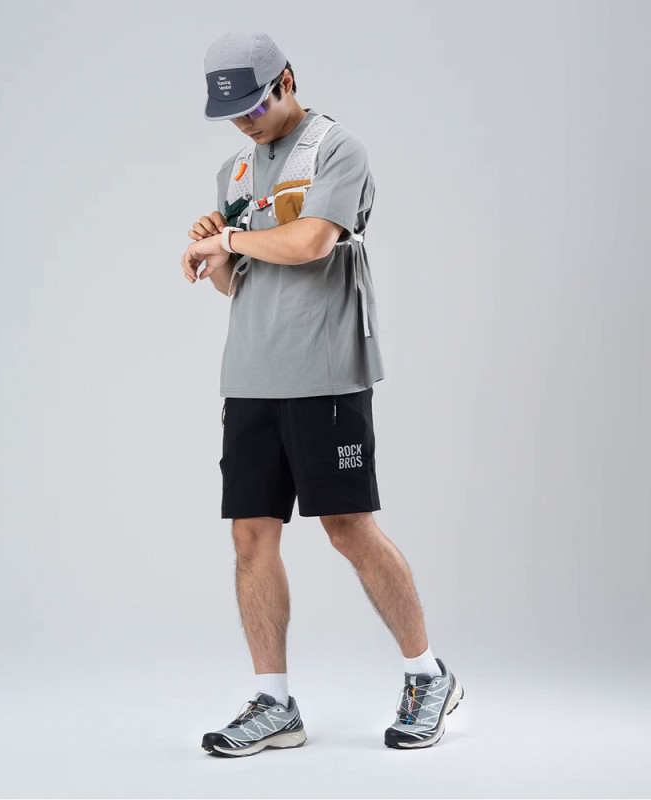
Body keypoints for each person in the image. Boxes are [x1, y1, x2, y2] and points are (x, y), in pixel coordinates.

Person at [180, 30, 463, 757]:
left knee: (348, 527)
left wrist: (229, 240)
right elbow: (233, 285)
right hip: (251, 378)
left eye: (253, 105)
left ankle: (428, 676)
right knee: (250, 536)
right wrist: (212, 246)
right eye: (232, 113)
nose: (245, 122)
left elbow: (311, 243)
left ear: (286, 79)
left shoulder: (338, 149)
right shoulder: (234, 169)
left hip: (326, 373)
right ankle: (274, 704)